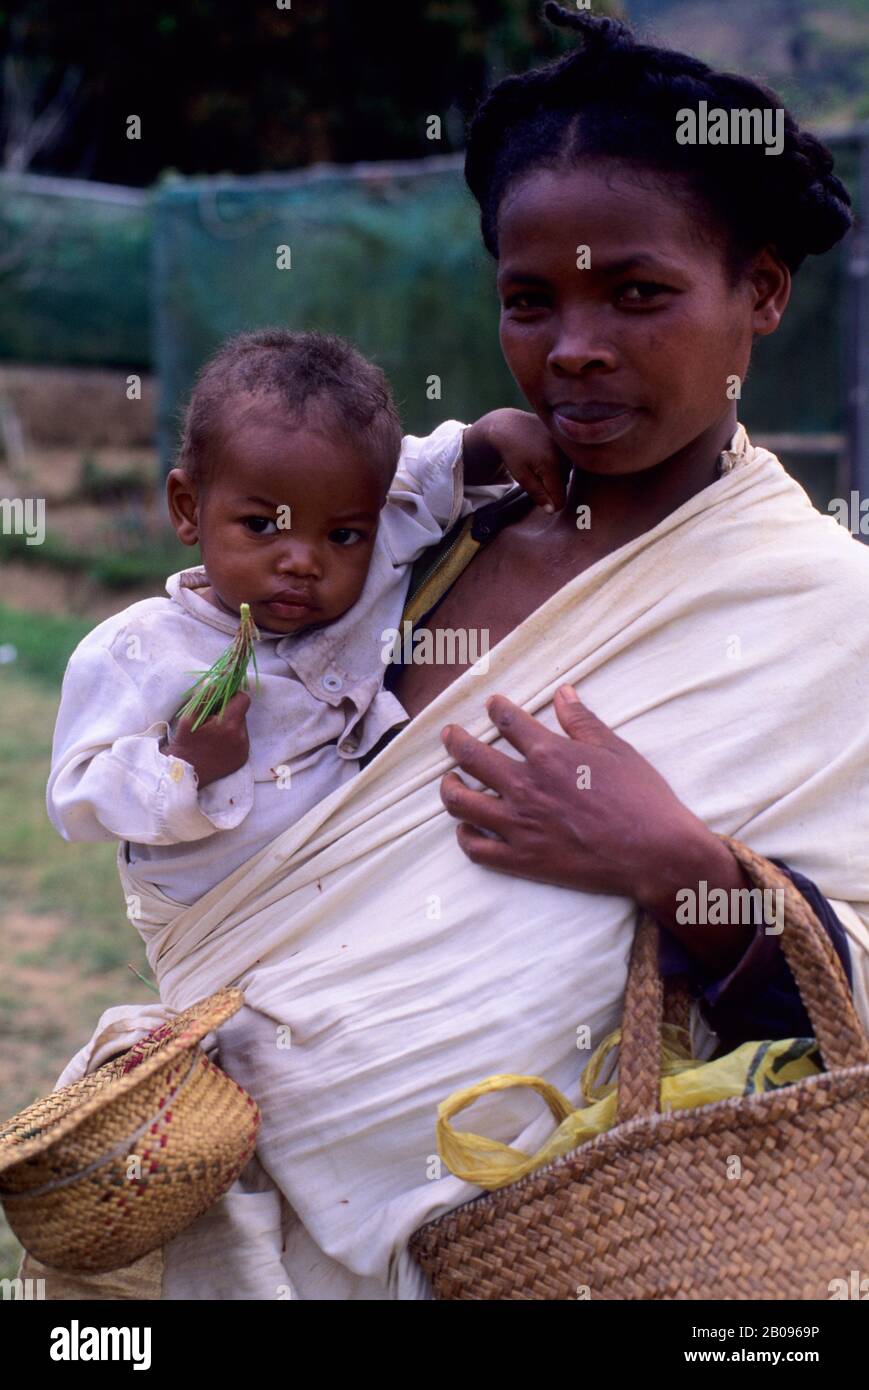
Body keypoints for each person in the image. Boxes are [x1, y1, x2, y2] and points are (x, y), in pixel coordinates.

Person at [20, 5, 869, 1300]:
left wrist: (680, 867)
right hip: (253, 1213)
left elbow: (841, 1020)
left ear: (761, 289)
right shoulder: (426, 532)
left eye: (636, 292)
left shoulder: (822, 612)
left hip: (572, 1252)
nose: (572, 345)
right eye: (530, 299)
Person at [45, 328, 564, 906]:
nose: (302, 562)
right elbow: (75, 800)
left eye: (341, 534)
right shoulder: (139, 649)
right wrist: (182, 767)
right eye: (262, 526)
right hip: (221, 931)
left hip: (355, 897)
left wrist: (486, 439)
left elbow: (416, 479)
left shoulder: (373, 557)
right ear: (189, 509)